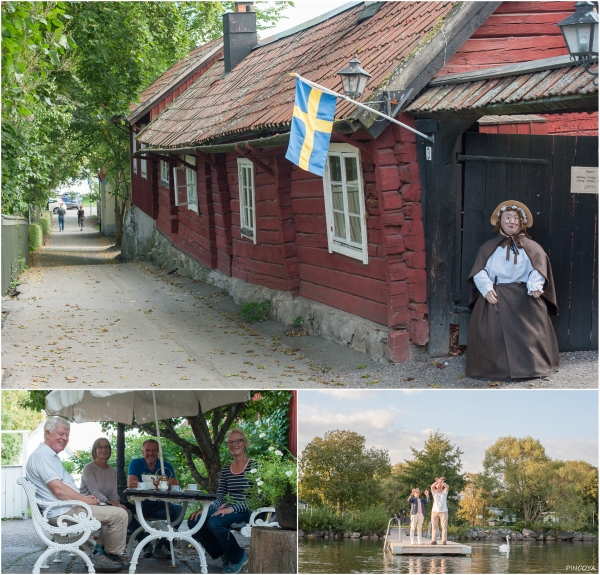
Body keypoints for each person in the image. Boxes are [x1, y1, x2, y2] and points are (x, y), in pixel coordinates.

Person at [466, 200, 559, 381]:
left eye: (516, 219)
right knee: (492, 335)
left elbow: (538, 268)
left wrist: (535, 285)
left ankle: (533, 368)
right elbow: (479, 271)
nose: (512, 222)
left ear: (521, 223)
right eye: (508, 217)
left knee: (532, 332)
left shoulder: (532, 247)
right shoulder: (488, 248)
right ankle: (494, 370)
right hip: (497, 296)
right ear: (500, 221)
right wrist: (486, 288)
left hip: (525, 298)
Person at [26, 417, 128, 573]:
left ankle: (102, 554)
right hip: (62, 512)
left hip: (65, 509)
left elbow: (61, 489)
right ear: (47, 433)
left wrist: (86, 501)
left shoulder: (49, 456)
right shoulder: (43, 456)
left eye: (67, 435)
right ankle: (107, 556)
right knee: (120, 515)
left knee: (114, 513)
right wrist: (84, 500)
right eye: (61, 434)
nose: (65, 439)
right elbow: (58, 490)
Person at [187, 428, 254, 575]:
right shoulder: (226, 470)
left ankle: (238, 557)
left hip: (246, 511)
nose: (234, 444)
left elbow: (256, 500)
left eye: (238, 441)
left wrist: (232, 509)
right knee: (195, 520)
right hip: (228, 509)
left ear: (244, 443)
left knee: (214, 522)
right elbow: (220, 496)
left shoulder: (253, 467)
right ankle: (223, 553)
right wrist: (205, 510)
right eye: (230, 442)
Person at [127, 438, 182, 559]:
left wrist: (160, 484)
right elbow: (130, 483)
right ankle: (145, 544)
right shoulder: (136, 463)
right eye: (147, 450)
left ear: (158, 452)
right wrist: (157, 484)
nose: (150, 453)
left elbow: (174, 484)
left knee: (179, 511)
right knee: (126, 511)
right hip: (141, 505)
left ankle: (162, 546)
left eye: (153, 450)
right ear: (142, 452)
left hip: (161, 505)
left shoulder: (165, 465)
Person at [80, 438, 132, 557]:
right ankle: (102, 551)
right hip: (88, 506)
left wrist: (117, 503)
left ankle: (103, 548)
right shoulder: (88, 469)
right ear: (94, 450)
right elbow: (95, 492)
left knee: (125, 512)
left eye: (106, 447)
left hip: (104, 506)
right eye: (100, 447)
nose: (104, 449)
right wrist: (112, 504)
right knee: (115, 513)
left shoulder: (112, 471)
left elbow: (114, 493)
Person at [430, 477, 449, 545]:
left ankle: (444, 541)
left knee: (444, 527)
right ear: (437, 487)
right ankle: (434, 540)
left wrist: (441, 482)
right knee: (434, 526)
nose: (439, 487)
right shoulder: (434, 492)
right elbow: (432, 486)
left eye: (440, 486)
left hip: (443, 511)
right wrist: (437, 482)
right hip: (435, 511)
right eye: (438, 486)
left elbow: (447, 487)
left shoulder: (444, 493)